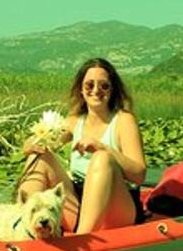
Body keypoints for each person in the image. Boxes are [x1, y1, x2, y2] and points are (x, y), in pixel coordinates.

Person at [17, 57, 146, 234]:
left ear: (112, 89)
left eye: (104, 86)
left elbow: (139, 175)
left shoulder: (124, 121)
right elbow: (44, 142)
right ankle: (22, 226)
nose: (96, 91)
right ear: (81, 90)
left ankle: (82, 239)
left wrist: (102, 147)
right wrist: (30, 145)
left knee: (102, 158)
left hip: (117, 208)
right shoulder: (73, 122)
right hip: (79, 203)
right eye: (89, 85)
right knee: (39, 155)